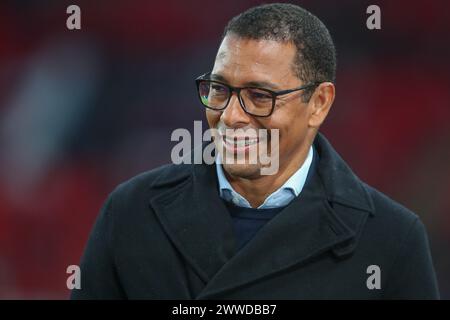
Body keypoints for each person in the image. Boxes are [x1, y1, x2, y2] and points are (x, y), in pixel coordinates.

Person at [71, 3, 439, 299]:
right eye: (219, 90)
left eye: (260, 96)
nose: (230, 116)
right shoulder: (131, 212)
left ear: (319, 103)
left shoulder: (391, 239)